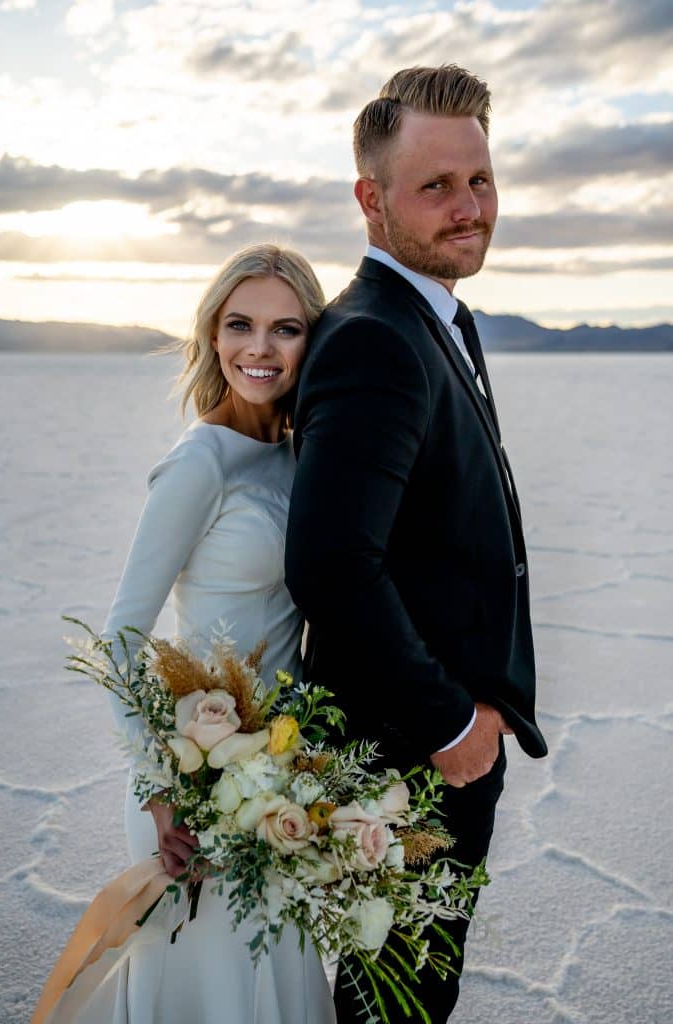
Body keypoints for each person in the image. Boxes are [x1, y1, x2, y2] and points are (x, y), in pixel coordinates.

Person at [285, 65, 548, 1022]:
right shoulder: (373, 340)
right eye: (435, 185)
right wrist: (448, 725)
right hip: (410, 763)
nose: (468, 206)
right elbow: (329, 563)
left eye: (478, 180)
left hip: (433, 752)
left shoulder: (431, 318)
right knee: (397, 1008)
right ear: (371, 198)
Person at [92, 244, 335, 1023]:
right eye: (239, 324)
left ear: (312, 341)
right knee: (207, 994)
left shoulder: (304, 456)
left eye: (285, 328)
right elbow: (122, 634)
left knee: (273, 986)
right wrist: (165, 794)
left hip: (280, 775)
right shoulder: (201, 461)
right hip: (194, 783)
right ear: (212, 334)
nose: (258, 349)